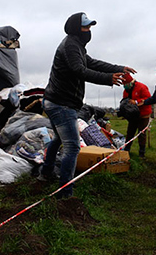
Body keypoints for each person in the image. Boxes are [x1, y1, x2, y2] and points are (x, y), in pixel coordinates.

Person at [38, 12, 135, 198]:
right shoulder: (70, 46)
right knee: (73, 147)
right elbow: (79, 70)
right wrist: (108, 78)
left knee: (59, 140)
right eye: (86, 27)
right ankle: (65, 193)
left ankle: (45, 174)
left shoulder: (77, 47)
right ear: (76, 28)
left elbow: (92, 63)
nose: (89, 31)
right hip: (61, 104)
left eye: (90, 27)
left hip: (57, 102)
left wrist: (118, 68)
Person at [121, 73, 152, 159]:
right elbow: (125, 101)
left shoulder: (142, 87)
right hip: (133, 116)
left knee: (141, 133)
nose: (125, 87)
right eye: (124, 85)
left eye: (126, 85)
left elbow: (148, 98)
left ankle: (142, 153)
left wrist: (137, 102)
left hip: (143, 114)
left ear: (131, 82)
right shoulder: (126, 91)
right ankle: (126, 150)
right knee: (130, 132)